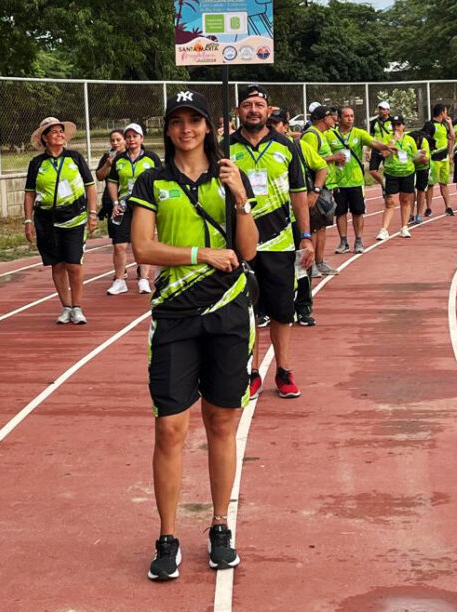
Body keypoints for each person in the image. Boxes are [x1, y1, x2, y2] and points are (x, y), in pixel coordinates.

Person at [129, 90, 258, 582]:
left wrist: (241, 198)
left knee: (222, 422)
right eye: (177, 121)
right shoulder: (151, 180)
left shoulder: (230, 176)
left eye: (195, 121)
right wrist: (199, 254)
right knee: (170, 427)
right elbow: (143, 246)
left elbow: (246, 250)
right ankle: (167, 535)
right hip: (174, 316)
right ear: (167, 129)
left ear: (209, 126)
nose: (186, 129)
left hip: (227, 313)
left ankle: (220, 526)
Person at [229, 84, 314, 399]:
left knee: (282, 312)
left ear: (268, 110)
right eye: (248, 104)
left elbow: (299, 195)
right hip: (240, 246)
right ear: (239, 110)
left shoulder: (285, 146)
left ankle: (284, 371)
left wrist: (305, 238)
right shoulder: (225, 149)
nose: (253, 109)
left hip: (279, 243)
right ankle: (251, 373)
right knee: (245, 312)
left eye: (259, 104)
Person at [24, 117, 98, 324]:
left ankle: (77, 307)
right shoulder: (36, 163)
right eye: (54, 132)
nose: (59, 135)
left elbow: (90, 186)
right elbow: (29, 194)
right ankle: (65, 307)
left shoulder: (75, 158)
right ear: (44, 138)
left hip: (74, 218)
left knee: (74, 264)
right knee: (57, 265)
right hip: (46, 221)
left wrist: (93, 214)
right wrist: (28, 222)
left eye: (61, 131)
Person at [267, 108, 325, 327]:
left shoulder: (299, 146)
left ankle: (303, 308)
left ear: (285, 126)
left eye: (277, 124)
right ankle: (267, 310)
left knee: (301, 264)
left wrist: (315, 192)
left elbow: (321, 168)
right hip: (270, 220)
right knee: (271, 268)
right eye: (269, 123)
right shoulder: (260, 148)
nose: (273, 128)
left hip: (295, 217)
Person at [106, 123, 162, 295]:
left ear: (141, 138)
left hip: (144, 206)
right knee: (120, 245)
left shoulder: (151, 158)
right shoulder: (119, 160)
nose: (131, 139)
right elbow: (112, 182)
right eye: (128, 136)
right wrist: (115, 203)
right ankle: (120, 280)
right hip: (124, 205)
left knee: (144, 242)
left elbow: (161, 181)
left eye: (135, 136)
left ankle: (144, 279)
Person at [330, 106, 392, 254]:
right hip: (338, 181)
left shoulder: (359, 133)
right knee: (340, 212)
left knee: (358, 212)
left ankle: (358, 240)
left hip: (356, 181)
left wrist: (387, 146)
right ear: (338, 118)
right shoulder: (329, 135)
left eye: (352, 116)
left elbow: (374, 143)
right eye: (346, 116)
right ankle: (343, 242)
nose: (350, 118)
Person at [299, 104, 340, 276]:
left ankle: (320, 261)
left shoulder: (322, 135)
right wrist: (334, 157)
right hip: (316, 187)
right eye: (332, 116)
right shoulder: (311, 135)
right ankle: (312, 264)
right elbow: (309, 160)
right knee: (315, 226)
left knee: (322, 225)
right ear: (324, 118)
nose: (335, 119)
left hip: (326, 187)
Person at [376, 115, 426, 239]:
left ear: (403, 126)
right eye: (394, 125)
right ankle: (384, 230)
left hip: (407, 173)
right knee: (390, 202)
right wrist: (393, 141)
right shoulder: (388, 138)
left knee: (405, 200)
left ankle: (404, 227)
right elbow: (384, 153)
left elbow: (414, 157)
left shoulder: (410, 140)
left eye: (398, 125)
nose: (396, 127)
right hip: (392, 173)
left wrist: (421, 157)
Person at [422, 103, 456, 216]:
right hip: (433, 159)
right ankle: (429, 208)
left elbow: (452, 137)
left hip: (444, 159)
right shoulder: (430, 125)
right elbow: (424, 139)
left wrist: (450, 124)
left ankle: (448, 207)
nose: (447, 114)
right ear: (442, 112)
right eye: (445, 111)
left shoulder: (444, 125)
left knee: (444, 183)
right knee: (431, 184)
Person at [96, 128, 126, 234]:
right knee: (116, 235)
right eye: (112, 140)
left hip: (128, 199)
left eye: (118, 140)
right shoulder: (107, 157)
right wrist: (107, 165)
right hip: (111, 201)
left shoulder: (130, 156)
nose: (115, 143)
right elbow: (99, 177)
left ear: (125, 140)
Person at [408, 126, 433, 225]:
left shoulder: (424, 142)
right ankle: (410, 214)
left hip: (423, 169)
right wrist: (418, 155)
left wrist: (413, 157)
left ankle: (419, 214)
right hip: (410, 168)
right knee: (410, 191)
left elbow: (425, 161)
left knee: (421, 189)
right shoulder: (406, 140)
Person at [368, 101, 394, 192]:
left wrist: (389, 148)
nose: (381, 111)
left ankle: (389, 189)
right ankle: (384, 184)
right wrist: (368, 151)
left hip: (389, 149)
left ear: (388, 111)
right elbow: (370, 137)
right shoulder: (374, 122)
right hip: (377, 148)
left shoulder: (393, 121)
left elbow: (398, 135)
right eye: (380, 109)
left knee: (389, 171)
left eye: (383, 109)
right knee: (372, 171)